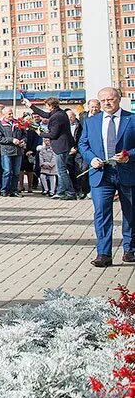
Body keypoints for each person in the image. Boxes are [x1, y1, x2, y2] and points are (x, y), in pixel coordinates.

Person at [77, 87, 134, 268]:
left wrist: (129, 155)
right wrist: (91, 159)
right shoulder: (91, 122)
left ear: (118, 99)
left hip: (127, 172)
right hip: (101, 174)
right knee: (102, 214)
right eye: (103, 101)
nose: (107, 103)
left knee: (130, 213)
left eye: (110, 99)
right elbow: (83, 144)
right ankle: (103, 253)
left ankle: (130, 250)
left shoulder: (131, 119)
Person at [24, 97, 76, 201]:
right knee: (61, 170)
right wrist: (30, 105)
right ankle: (61, 192)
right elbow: (44, 114)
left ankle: (71, 192)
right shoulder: (59, 113)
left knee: (61, 171)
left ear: (50, 106)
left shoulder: (56, 117)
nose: (46, 108)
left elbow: (53, 134)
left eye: (46, 105)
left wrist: (40, 133)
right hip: (64, 144)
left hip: (61, 145)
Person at [0, 106, 26, 198]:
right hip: (6, 151)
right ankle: (4, 190)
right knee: (7, 171)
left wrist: (23, 140)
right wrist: (11, 140)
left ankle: (14, 190)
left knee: (16, 172)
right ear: (4, 114)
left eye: (12, 113)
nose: (11, 115)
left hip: (18, 151)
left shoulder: (18, 123)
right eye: (9, 113)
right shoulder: (0, 124)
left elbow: (24, 134)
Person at [70, 108, 90, 199]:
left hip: (79, 150)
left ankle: (83, 190)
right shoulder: (64, 125)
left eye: (71, 116)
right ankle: (75, 190)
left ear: (75, 116)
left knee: (82, 170)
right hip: (68, 151)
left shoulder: (80, 125)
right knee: (72, 171)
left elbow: (81, 139)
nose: (69, 119)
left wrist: (77, 149)